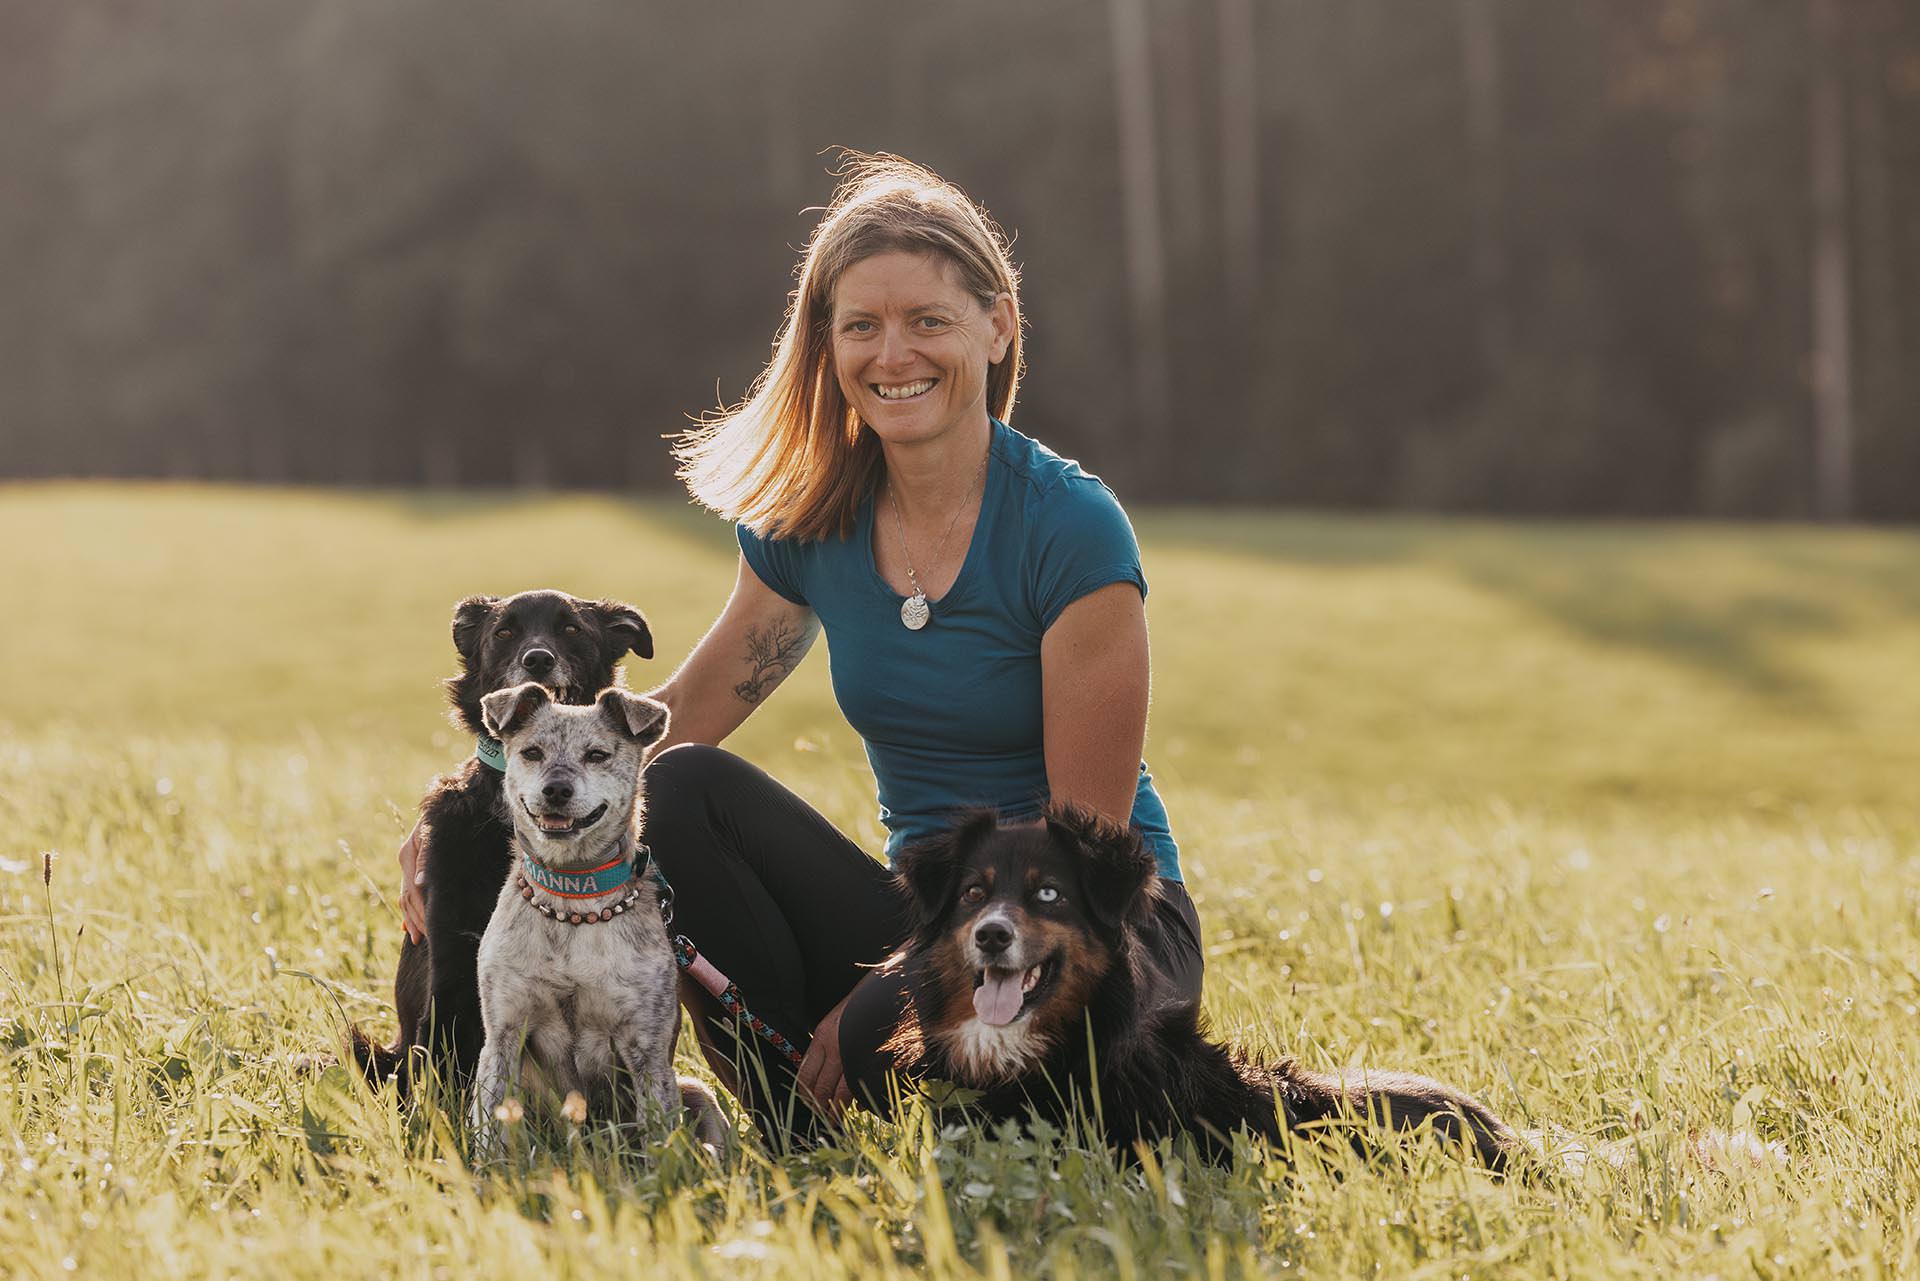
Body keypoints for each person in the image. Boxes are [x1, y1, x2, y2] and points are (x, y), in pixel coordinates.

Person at [397, 155, 1200, 1142]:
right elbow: (675, 722)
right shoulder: (814, 521)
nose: (892, 353)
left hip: (1087, 931)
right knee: (682, 788)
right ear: (825, 345)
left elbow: (1085, 848)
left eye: (929, 320)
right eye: (860, 324)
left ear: (998, 326)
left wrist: (897, 991)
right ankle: (794, 1133)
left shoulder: (1071, 529)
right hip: (927, 913)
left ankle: (964, 1099)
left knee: (897, 1040)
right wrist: (474, 814)